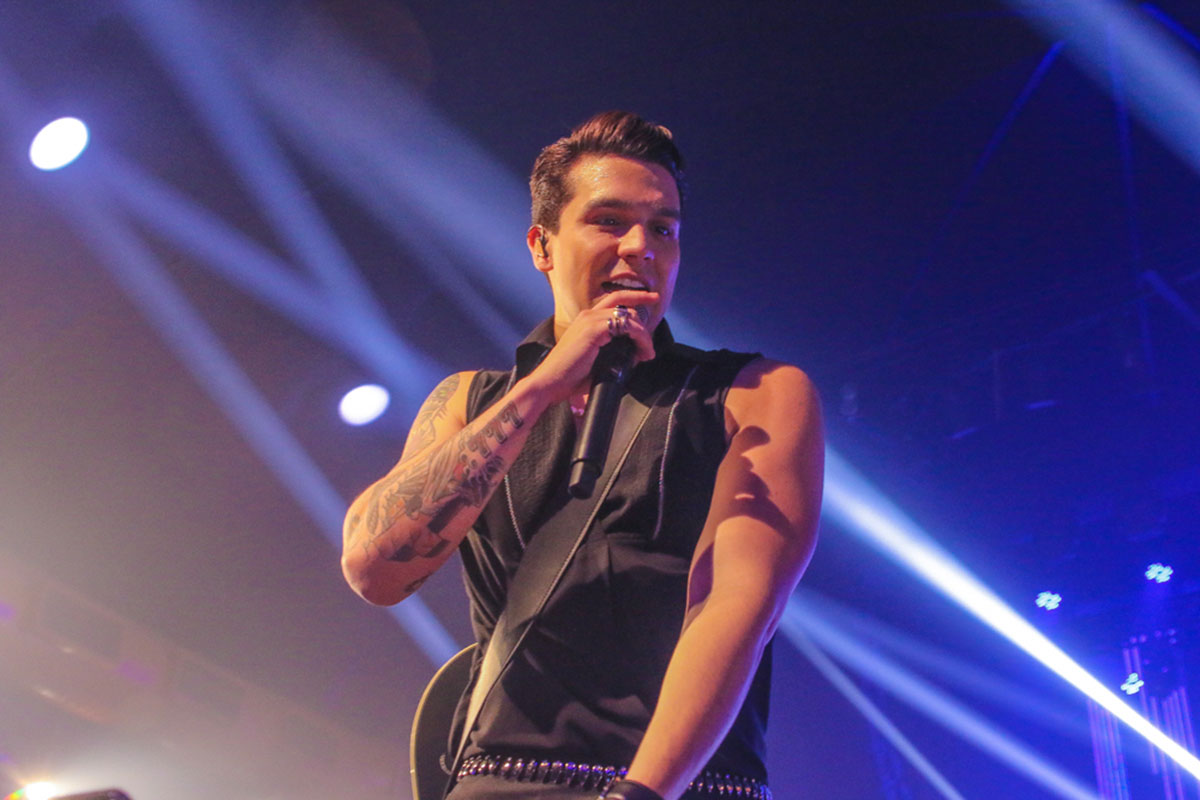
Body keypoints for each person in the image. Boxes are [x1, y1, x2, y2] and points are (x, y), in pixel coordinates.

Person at [341, 111, 823, 800]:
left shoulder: (755, 392)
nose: (640, 247)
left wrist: (643, 793)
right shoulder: (468, 402)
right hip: (500, 782)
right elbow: (374, 572)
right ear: (542, 245)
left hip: (685, 786)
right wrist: (541, 387)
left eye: (663, 229)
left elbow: (738, 603)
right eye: (609, 221)